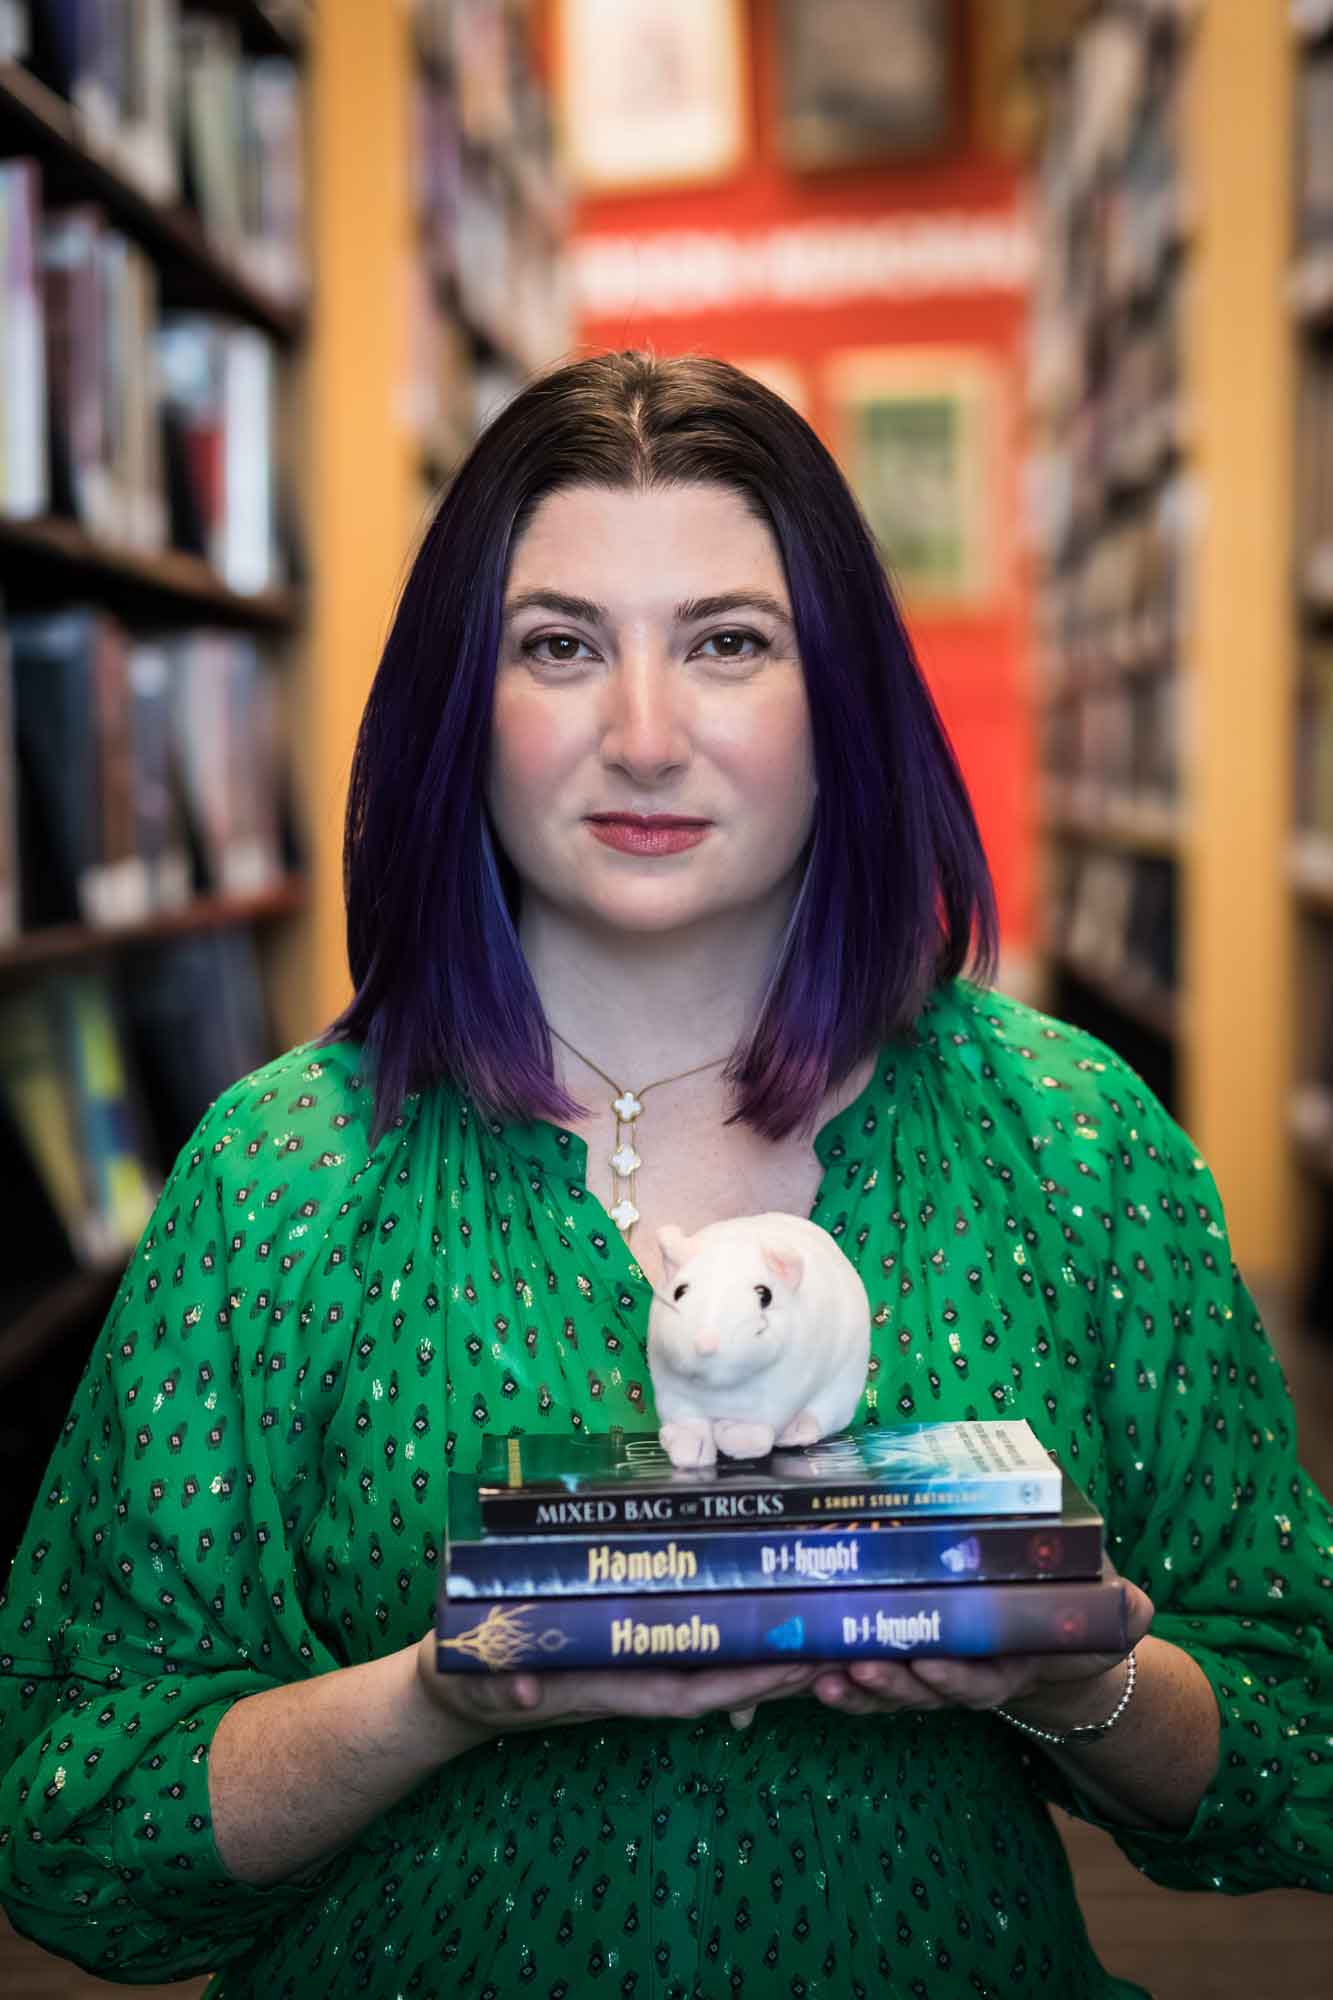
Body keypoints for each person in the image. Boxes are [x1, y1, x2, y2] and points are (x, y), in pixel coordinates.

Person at [1, 350, 1330, 2000]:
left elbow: (1297, 1751)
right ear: (457, 710)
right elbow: (73, 1822)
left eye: (727, 643)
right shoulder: (278, 1177)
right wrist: (439, 1695)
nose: (641, 735)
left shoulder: (1074, 1145)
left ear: (839, 698)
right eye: (559, 648)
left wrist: (1072, 1685)